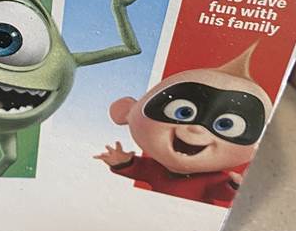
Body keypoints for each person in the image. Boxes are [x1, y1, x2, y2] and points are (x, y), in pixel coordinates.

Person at [95, 44, 272, 207]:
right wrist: (123, 163)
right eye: (184, 112)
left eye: (226, 125)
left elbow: (223, 192)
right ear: (124, 110)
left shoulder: (213, 179)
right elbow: (138, 169)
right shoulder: (154, 169)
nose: (197, 129)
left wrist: (235, 186)